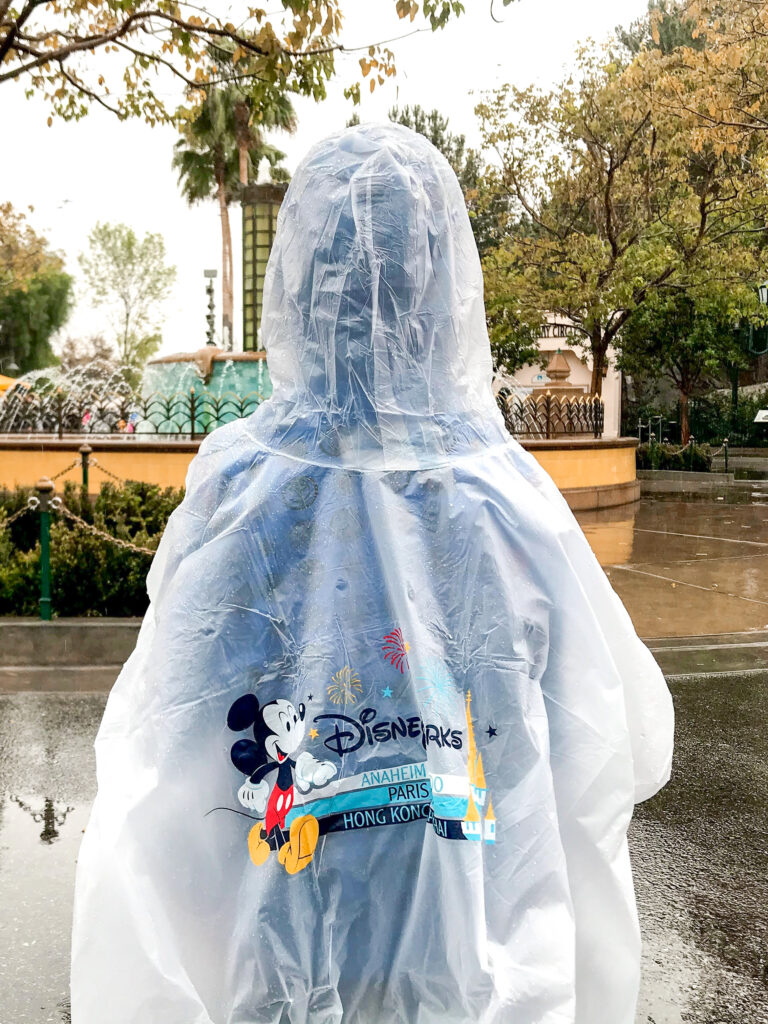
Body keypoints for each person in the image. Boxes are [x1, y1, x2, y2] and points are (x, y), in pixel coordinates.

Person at [70, 123, 674, 1024]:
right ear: (441, 280)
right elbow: (612, 741)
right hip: (465, 963)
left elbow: (167, 753)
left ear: (300, 281)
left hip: (272, 941)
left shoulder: (239, 486)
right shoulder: (510, 500)